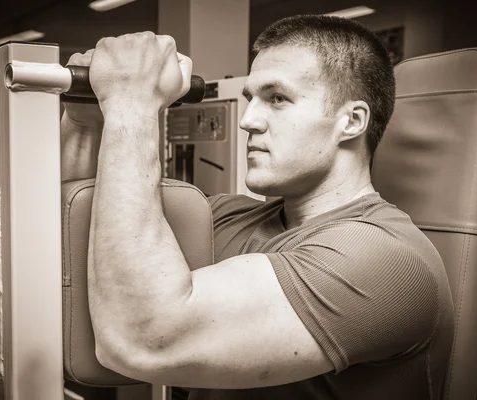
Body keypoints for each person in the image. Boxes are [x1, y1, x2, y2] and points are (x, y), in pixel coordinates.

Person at [61, 14, 454, 400]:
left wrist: (132, 103)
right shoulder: (227, 216)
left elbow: (145, 340)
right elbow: (68, 244)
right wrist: (86, 124)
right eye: (251, 99)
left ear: (351, 121)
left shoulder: (384, 261)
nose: (248, 121)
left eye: (277, 99)